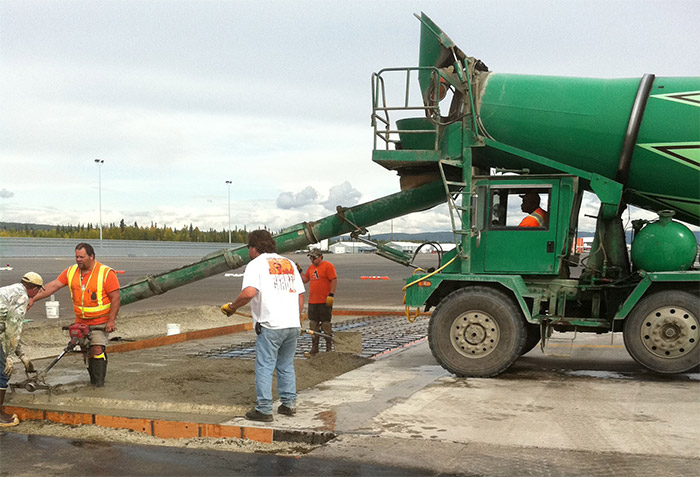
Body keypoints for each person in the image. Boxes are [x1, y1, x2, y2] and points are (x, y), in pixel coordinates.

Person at [220, 230, 304, 422]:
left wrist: (232, 307)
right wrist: (295, 317)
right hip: (292, 324)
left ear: (254, 247)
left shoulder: (255, 265)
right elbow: (300, 294)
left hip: (270, 324)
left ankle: (264, 409)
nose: (248, 251)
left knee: (265, 366)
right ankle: (289, 404)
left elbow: (249, 292)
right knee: (286, 364)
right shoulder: (288, 263)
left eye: (249, 247)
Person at [29, 243, 120, 387]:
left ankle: (98, 384)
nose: (78, 260)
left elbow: (115, 298)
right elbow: (53, 286)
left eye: (82, 257)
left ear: (91, 256)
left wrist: (111, 321)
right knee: (85, 350)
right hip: (80, 322)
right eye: (76, 256)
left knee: (97, 348)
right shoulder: (71, 272)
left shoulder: (106, 273)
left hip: (100, 322)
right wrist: (33, 298)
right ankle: (93, 379)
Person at [0, 272, 44, 426]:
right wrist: (8, 358)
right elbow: (11, 329)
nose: (37, 294)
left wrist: (22, 355)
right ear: (34, 288)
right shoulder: (22, 297)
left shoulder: (9, 290)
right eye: (38, 291)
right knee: (3, 373)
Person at [301, 248, 337, 355]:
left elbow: (334, 280)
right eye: (311, 258)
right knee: (313, 325)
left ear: (320, 257)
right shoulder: (311, 268)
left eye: (314, 258)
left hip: (324, 301)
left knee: (326, 324)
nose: (312, 260)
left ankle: (328, 348)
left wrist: (331, 294)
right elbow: (305, 280)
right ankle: (315, 348)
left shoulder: (328, 266)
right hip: (313, 301)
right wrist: (299, 272)